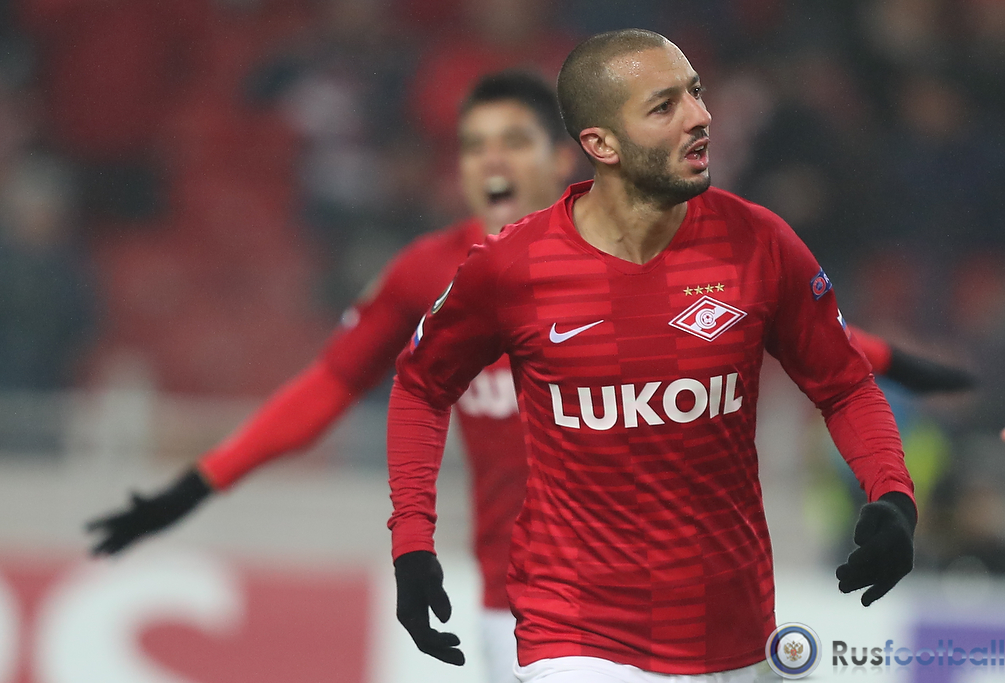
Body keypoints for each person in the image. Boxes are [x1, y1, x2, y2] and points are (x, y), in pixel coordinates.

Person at [386, 29, 916, 682]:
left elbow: (845, 386)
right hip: (575, 632)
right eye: (664, 107)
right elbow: (421, 387)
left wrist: (894, 495)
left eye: (695, 93)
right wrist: (413, 544)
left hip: (736, 634)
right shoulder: (513, 267)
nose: (701, 116)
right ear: (601, 145)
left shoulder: (759, 243)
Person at [85, 71, 578, 683]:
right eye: (475, 146)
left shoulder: (633, 259)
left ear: (563, 159)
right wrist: (196, 485)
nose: (492, 161)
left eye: (514, 141)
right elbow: (330, 386)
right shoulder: (427, 274)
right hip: (516, 609)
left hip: (654, 592)